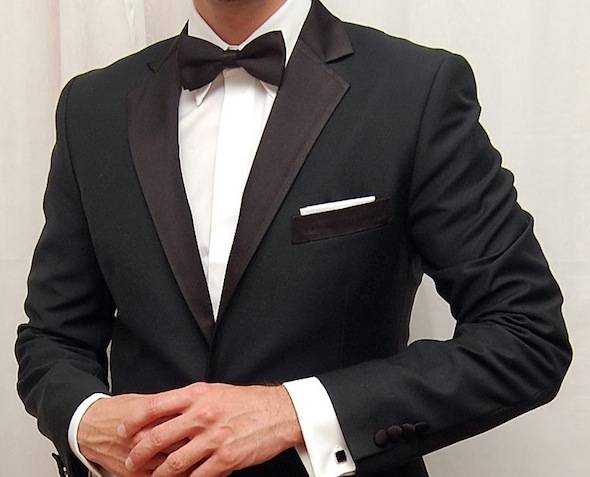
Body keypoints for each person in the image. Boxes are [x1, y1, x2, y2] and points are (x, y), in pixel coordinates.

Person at [15, 0, 572, 476]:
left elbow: (525, 334)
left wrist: (293, 413)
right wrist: (85, 421)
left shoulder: (415, 89)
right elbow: (53, 338)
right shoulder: (91, 107)